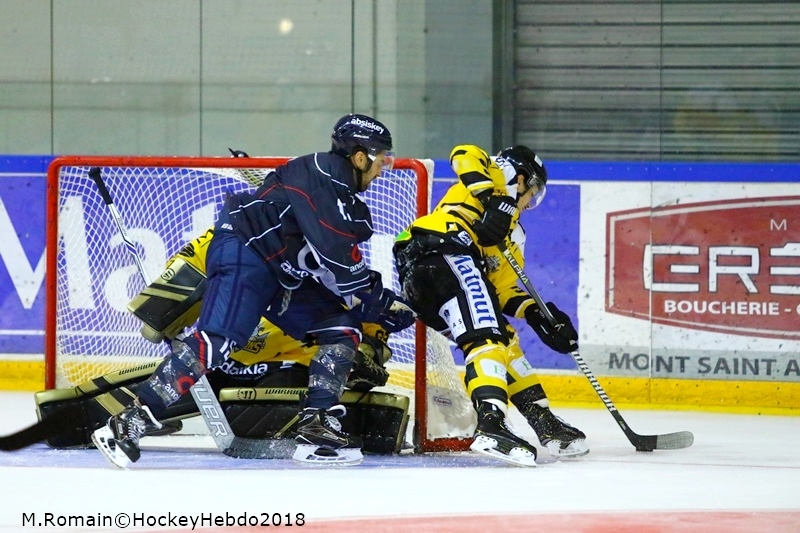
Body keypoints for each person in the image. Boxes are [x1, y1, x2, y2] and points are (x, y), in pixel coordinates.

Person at [92, 113, 413, 467]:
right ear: (359, 155)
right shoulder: (321, 174)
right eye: (381, 158)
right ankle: (128, 423)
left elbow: (326, 266)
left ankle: (315, 424)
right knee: (218, 341)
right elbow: (337, 255)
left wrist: (374, 300)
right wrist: (378, 299)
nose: (384, 168)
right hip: (246, 252)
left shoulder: (343, 197)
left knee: (340, 326)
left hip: (281, 275)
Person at [393, 144, 587, 467]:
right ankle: (491, 425)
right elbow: (462, 153)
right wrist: (492, 200)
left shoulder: (512, 234)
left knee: (504, 338)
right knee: (487, 337)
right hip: (443, 250)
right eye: (532, 192)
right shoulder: (501, 177)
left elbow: (501, 290)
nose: (528, 203)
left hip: (430, 279)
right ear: (523, 179)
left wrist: (538, 313)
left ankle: (543, 422)